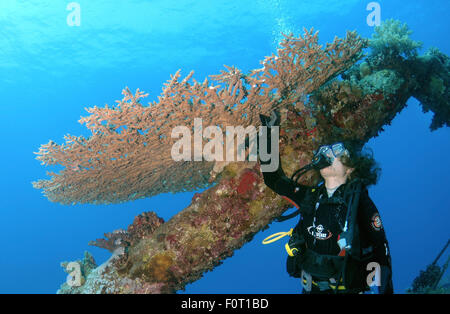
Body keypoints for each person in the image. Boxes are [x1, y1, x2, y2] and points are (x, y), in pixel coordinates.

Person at [259, 110, 393, 294]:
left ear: (351, 168)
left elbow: (381, 250)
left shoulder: (358, 203)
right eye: (324, 150)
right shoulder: (310, 197)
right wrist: (268, 131)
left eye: (337, 151)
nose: (327, 154)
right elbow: (272, 179)